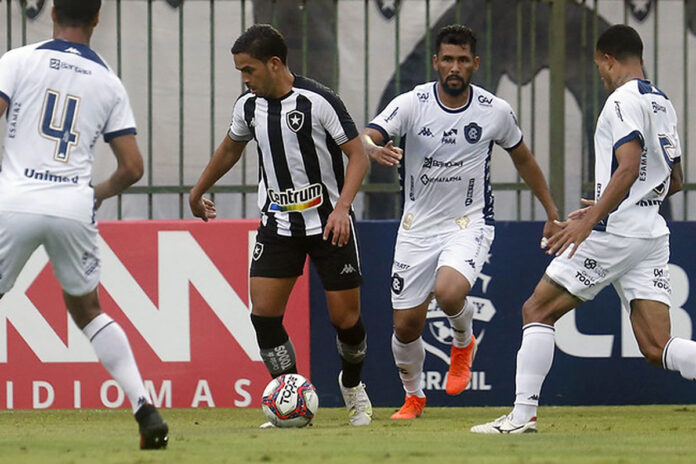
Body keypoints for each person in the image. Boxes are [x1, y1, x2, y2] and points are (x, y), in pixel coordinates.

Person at [471, 24, 688, 434]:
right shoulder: (662, 102)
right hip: (650, 233)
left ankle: (521, 418)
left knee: (537, 310)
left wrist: (592, 218)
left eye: (600, 66)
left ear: (608, 58)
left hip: (615, 232)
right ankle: (521, 417)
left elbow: (627, 166)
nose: (601, 75)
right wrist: (618, 197)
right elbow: (674, 180)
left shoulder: (619, 101)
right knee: (658, 347)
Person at [362, 24, 560, 420]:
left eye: (463, 60)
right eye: (448, 59)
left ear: (475, 64)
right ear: (436, 62)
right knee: (405, 326)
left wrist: (551, 212)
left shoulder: (495, 111)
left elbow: (524, 159)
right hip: (417, 227)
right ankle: (414, 397)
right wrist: (374, 150)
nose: (455, 67)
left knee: (450, 293)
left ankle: (462, 339)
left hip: (468, 223)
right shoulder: (412, 103)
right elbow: (367, 136)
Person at [0, 0, 168, 449]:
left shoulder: (17, 61)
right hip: (73, 206)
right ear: (97, 18)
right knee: (88, 309)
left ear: (51, 12)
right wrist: (95, 192)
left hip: (14, 200)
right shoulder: (109, 83)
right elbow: (132, 167)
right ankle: (145, 409)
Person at [189, 24, 373, 427]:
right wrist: (198, 189)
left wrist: (343, 207)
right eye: (240, 71)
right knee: (264, 316)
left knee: (346, 321)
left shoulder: (319, 101)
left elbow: (358, 156)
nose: (245, 79)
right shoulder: (248, 106)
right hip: (278, 225)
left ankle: (353, 386)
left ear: (275, 64)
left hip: (329, 225)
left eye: (249, 70)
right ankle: (289, 399)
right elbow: (230, 148)